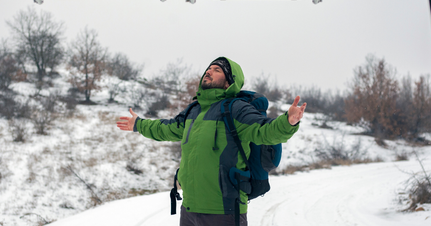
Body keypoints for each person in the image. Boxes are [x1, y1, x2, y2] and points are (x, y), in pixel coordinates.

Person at [116, 57, 306, 226]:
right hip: (189, 209)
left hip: (224, 212)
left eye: (217, 70)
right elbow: (166, 128)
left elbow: (265, 131)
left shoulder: (236, 109)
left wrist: (287, 122)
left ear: (228, 83)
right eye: (209, 68)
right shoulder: (194, 111)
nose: (209, 71)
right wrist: (139, 124)